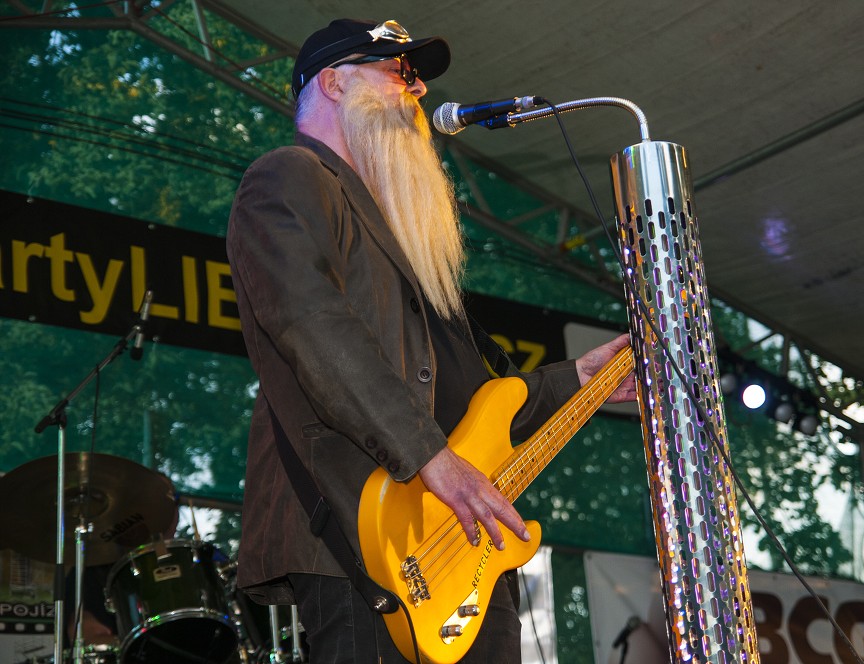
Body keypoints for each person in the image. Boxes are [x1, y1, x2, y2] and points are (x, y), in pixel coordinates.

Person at [226, 17, 635, 664]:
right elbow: (312, 325)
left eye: (415, 77)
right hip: (362, 537)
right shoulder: (288, 176)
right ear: (334, 83)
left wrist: (579, 379)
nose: (416, 90)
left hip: (459, 547)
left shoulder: (404, 237)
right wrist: (430, 457)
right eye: (398, 72)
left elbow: (481, 398)